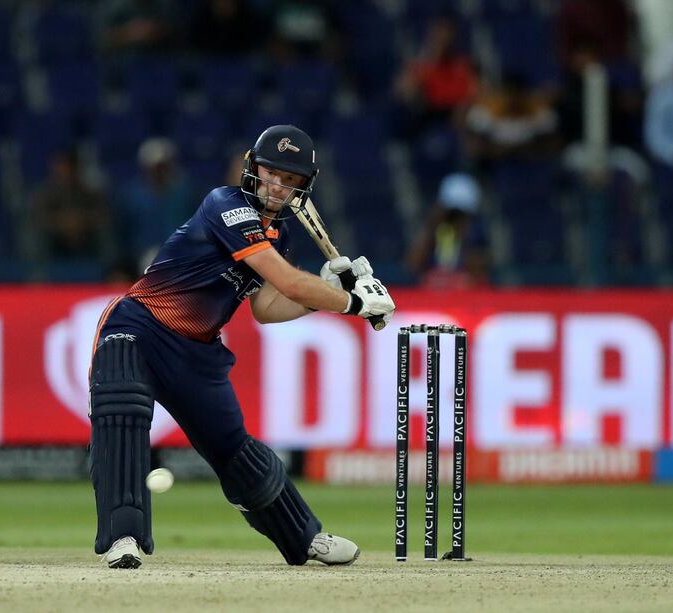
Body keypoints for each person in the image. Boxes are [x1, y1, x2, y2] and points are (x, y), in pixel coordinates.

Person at [89, 125, 395, 569]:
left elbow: (268, 305)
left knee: (235, 450)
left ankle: (304, 537)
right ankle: (124, 539)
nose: (278, 186)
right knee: (123, 412)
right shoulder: (225, 204)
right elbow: (289, 280)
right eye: (272, 173)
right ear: (252, 168)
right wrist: (353, 302)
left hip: (196, 351)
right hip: (140, 325)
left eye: (290, 180)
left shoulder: (281, 237)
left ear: (302, 187)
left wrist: (321, 297)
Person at [113, 137, 193, 271]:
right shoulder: (131, 195)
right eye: (155, 167)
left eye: (163, 167)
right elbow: (122, 232)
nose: (159, 172)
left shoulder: (184, 193)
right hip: (140, 255)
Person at [405, 173, 488, 289]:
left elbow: (478, 275)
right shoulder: (436, 231)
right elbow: (412, 265)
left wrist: (465, 235)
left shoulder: (476, 236)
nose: (455, 218)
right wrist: (432, 227)